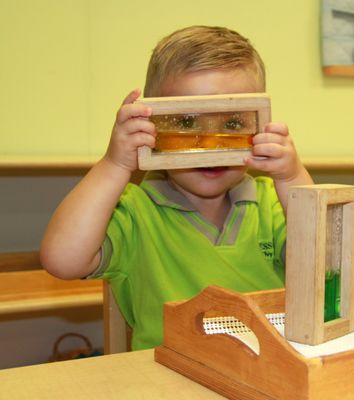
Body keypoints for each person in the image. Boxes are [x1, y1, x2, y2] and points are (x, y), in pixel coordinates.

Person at [40, 26, 313, 350]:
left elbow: (323, 265)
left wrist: (291, 178)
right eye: (186, 123)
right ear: (153, 126)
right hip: (170, 380)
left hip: (271, 371)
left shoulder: (271, 202)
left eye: (233, 124)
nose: (210, 144)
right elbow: (62, 260)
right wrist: (115, 165)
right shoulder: (133, 211)